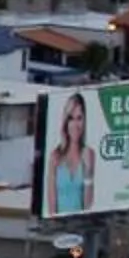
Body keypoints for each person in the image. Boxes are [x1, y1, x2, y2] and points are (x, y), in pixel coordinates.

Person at [49, 91, 97, 219]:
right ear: (66, 122)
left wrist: (88, 171)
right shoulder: (55, 156)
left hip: (80, 226)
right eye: (71, 118)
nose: (75, 125)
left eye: (79, 118)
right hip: (60, 228)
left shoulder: (89, 154)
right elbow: (52, 205)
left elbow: (88, 204)